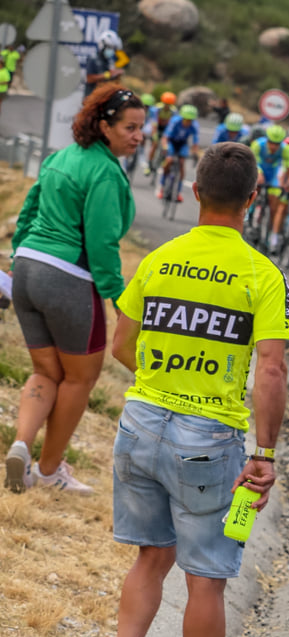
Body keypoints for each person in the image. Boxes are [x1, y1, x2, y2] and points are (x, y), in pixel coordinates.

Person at [96, 141, 289, 637]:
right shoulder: (262, 275)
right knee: (205, 579)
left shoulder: (160, 259)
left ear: (193, 191)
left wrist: (163, 382)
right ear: (253, 200)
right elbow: (272, 372)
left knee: (149, 556)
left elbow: (122, 344)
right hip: (208, 438)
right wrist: (264, 452)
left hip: (142, 420)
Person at [5, 85, 142, 495]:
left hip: (28, 268)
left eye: (142, 130)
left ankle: (20, 446)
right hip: (68, 276)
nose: (138, 137)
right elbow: (101, 244)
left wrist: (19, 258)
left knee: (47, 370)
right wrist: (119, 298)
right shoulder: (103, 170)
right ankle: (48, 471)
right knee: (81, 378)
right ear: (104, 126)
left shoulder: (61, 157)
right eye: (130, 128)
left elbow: (28, 209)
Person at [250, 123, 289, 253]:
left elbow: (284, 166)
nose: (274, 146)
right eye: (272, 142)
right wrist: (259, 173)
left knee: (274, 205)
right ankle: (250, 213)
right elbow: (253, 162)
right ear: (267, 139)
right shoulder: (257, 144)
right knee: (255, 187)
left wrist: (282, 180)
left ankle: (269, 234)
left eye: (277, 143)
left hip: (273, 174)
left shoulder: (285, 149)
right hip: (260, 170)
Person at [157, 104, 201, 202]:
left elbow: (195, 141)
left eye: (190, 120)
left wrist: (195, 153)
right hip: (171, 142)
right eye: (186, 119)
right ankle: (162, 186)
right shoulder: (175, 121)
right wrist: (165, 147)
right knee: (169, 160)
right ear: (182, 117)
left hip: (182, 143)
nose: (188, 122)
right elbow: (165, 137)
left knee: (181, 164)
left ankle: (178, 192)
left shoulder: (194, 126)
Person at [143, 92, 176, 175]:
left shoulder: (174, 111)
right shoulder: (156, 109)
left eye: (169, 104)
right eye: (165, 104)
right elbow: (154, 123)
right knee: (155, 144)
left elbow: (172, 125)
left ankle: (161, 160)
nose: (167, 106)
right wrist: (154, 135)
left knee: (166, 145)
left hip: (166, 128)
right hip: (156, 127)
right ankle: (149, 165)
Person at [0, 42, 23, 119]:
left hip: (11, 69)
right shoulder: (6, 52)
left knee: (9, 81)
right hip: (6, 68)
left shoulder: (14, 54)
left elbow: (18, 57)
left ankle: (6, 90)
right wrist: (6, 53)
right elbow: (2, 53)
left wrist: (17, 52)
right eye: (9, 47)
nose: (10, 48)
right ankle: (5, 91)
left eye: (11, 47)